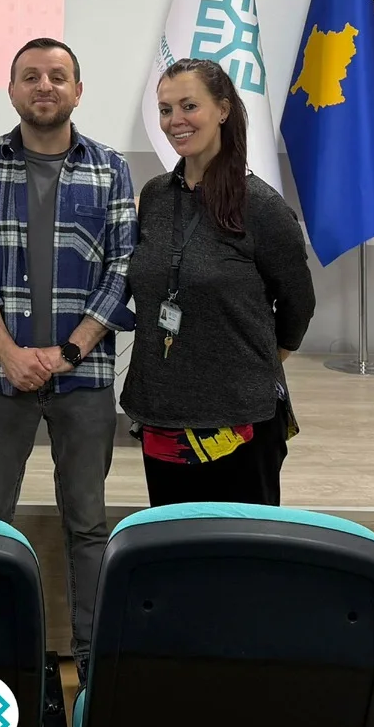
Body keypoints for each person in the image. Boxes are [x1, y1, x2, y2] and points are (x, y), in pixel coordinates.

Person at [0, 38, 135, 680]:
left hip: (84, 377)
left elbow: (123, 271)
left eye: (58, 76)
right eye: (30, 76)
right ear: (12, 91)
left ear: (78, 91)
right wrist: (8, 353)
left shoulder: (110, 168)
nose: (44, 86)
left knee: (88, 523)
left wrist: (68, 350)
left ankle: (92, 661)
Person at [124, 59, 315, 507]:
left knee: (240, 544)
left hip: (239, 417)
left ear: (223, 110)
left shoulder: (261, 206)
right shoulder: (155, 197)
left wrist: (255, 362)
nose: (176, 120)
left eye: (189, 106)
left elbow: (298, 303)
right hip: (162, 412)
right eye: (166, 109)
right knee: (173, 540)